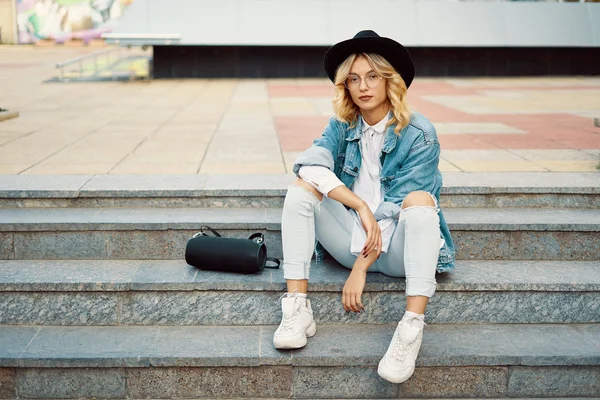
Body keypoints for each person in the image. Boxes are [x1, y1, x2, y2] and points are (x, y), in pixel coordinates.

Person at [272, 30, 455, 384]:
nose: (363, 86)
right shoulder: (342, 125)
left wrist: (360, 267)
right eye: (353, 79)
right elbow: (309, 165)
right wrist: (357, 204)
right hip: (348, 240)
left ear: (390, 80)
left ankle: (410, 329)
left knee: (418, 201)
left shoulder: (420, 134)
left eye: (372, 76)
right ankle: (297, 308)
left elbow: (398, 204)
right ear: (345, 86)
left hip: (400, 252)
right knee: (301, 189)